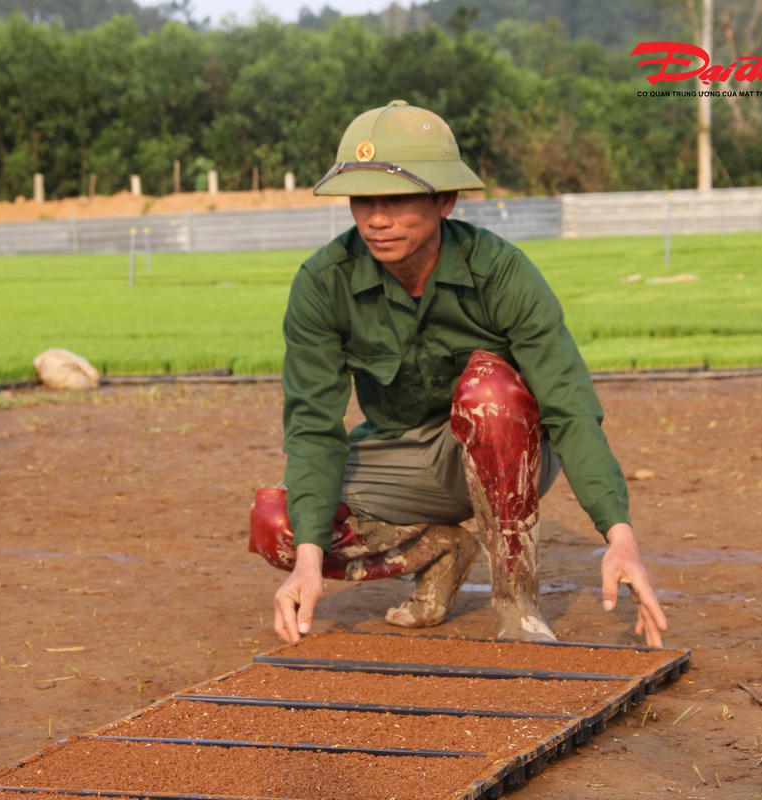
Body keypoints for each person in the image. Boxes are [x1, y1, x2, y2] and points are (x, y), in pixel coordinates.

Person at [248, 100, 668, 647]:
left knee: (489, 390)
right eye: (362, 200)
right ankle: (442, 548)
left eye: (397, 200)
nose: (376, 219)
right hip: (400, 452)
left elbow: (569, 404)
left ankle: (516, 605)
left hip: (506, 451)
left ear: (444, 200)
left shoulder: (501, 272)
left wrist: (620, 536)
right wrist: (308, 561)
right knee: (279, 524)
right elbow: (313, 426)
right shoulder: (324, 282)